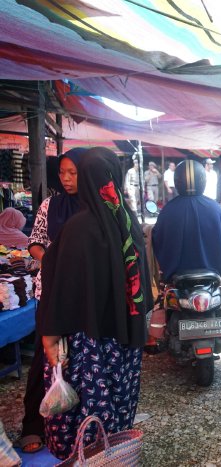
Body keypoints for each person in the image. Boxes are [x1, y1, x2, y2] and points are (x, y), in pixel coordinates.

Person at [37, 148, 152, 460]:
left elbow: (60, 287)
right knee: (119, 401)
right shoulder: (127, 221)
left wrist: (50, 333)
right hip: (125, 340)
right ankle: (117, 456)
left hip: (87, 341)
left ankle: (89, 459)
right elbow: (143, 286)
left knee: (87, 412)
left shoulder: (78, 228)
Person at [15, 148, 85, 455]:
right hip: (51, 289)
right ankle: (33, 423)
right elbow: (34, 242)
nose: (67, 179)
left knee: (80, 357)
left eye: (74, 173)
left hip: (83, 292)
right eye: (63, 173)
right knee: (47, 354)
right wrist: (52, 262)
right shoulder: (50, 205)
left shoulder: (95, 206)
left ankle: (75, 423)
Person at [152, 160, 221, 282]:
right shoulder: (216, 209)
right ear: (203, 180)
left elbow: (157, 242)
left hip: (176, 277)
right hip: (213, 276)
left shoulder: (168, 210)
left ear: (177, 181)